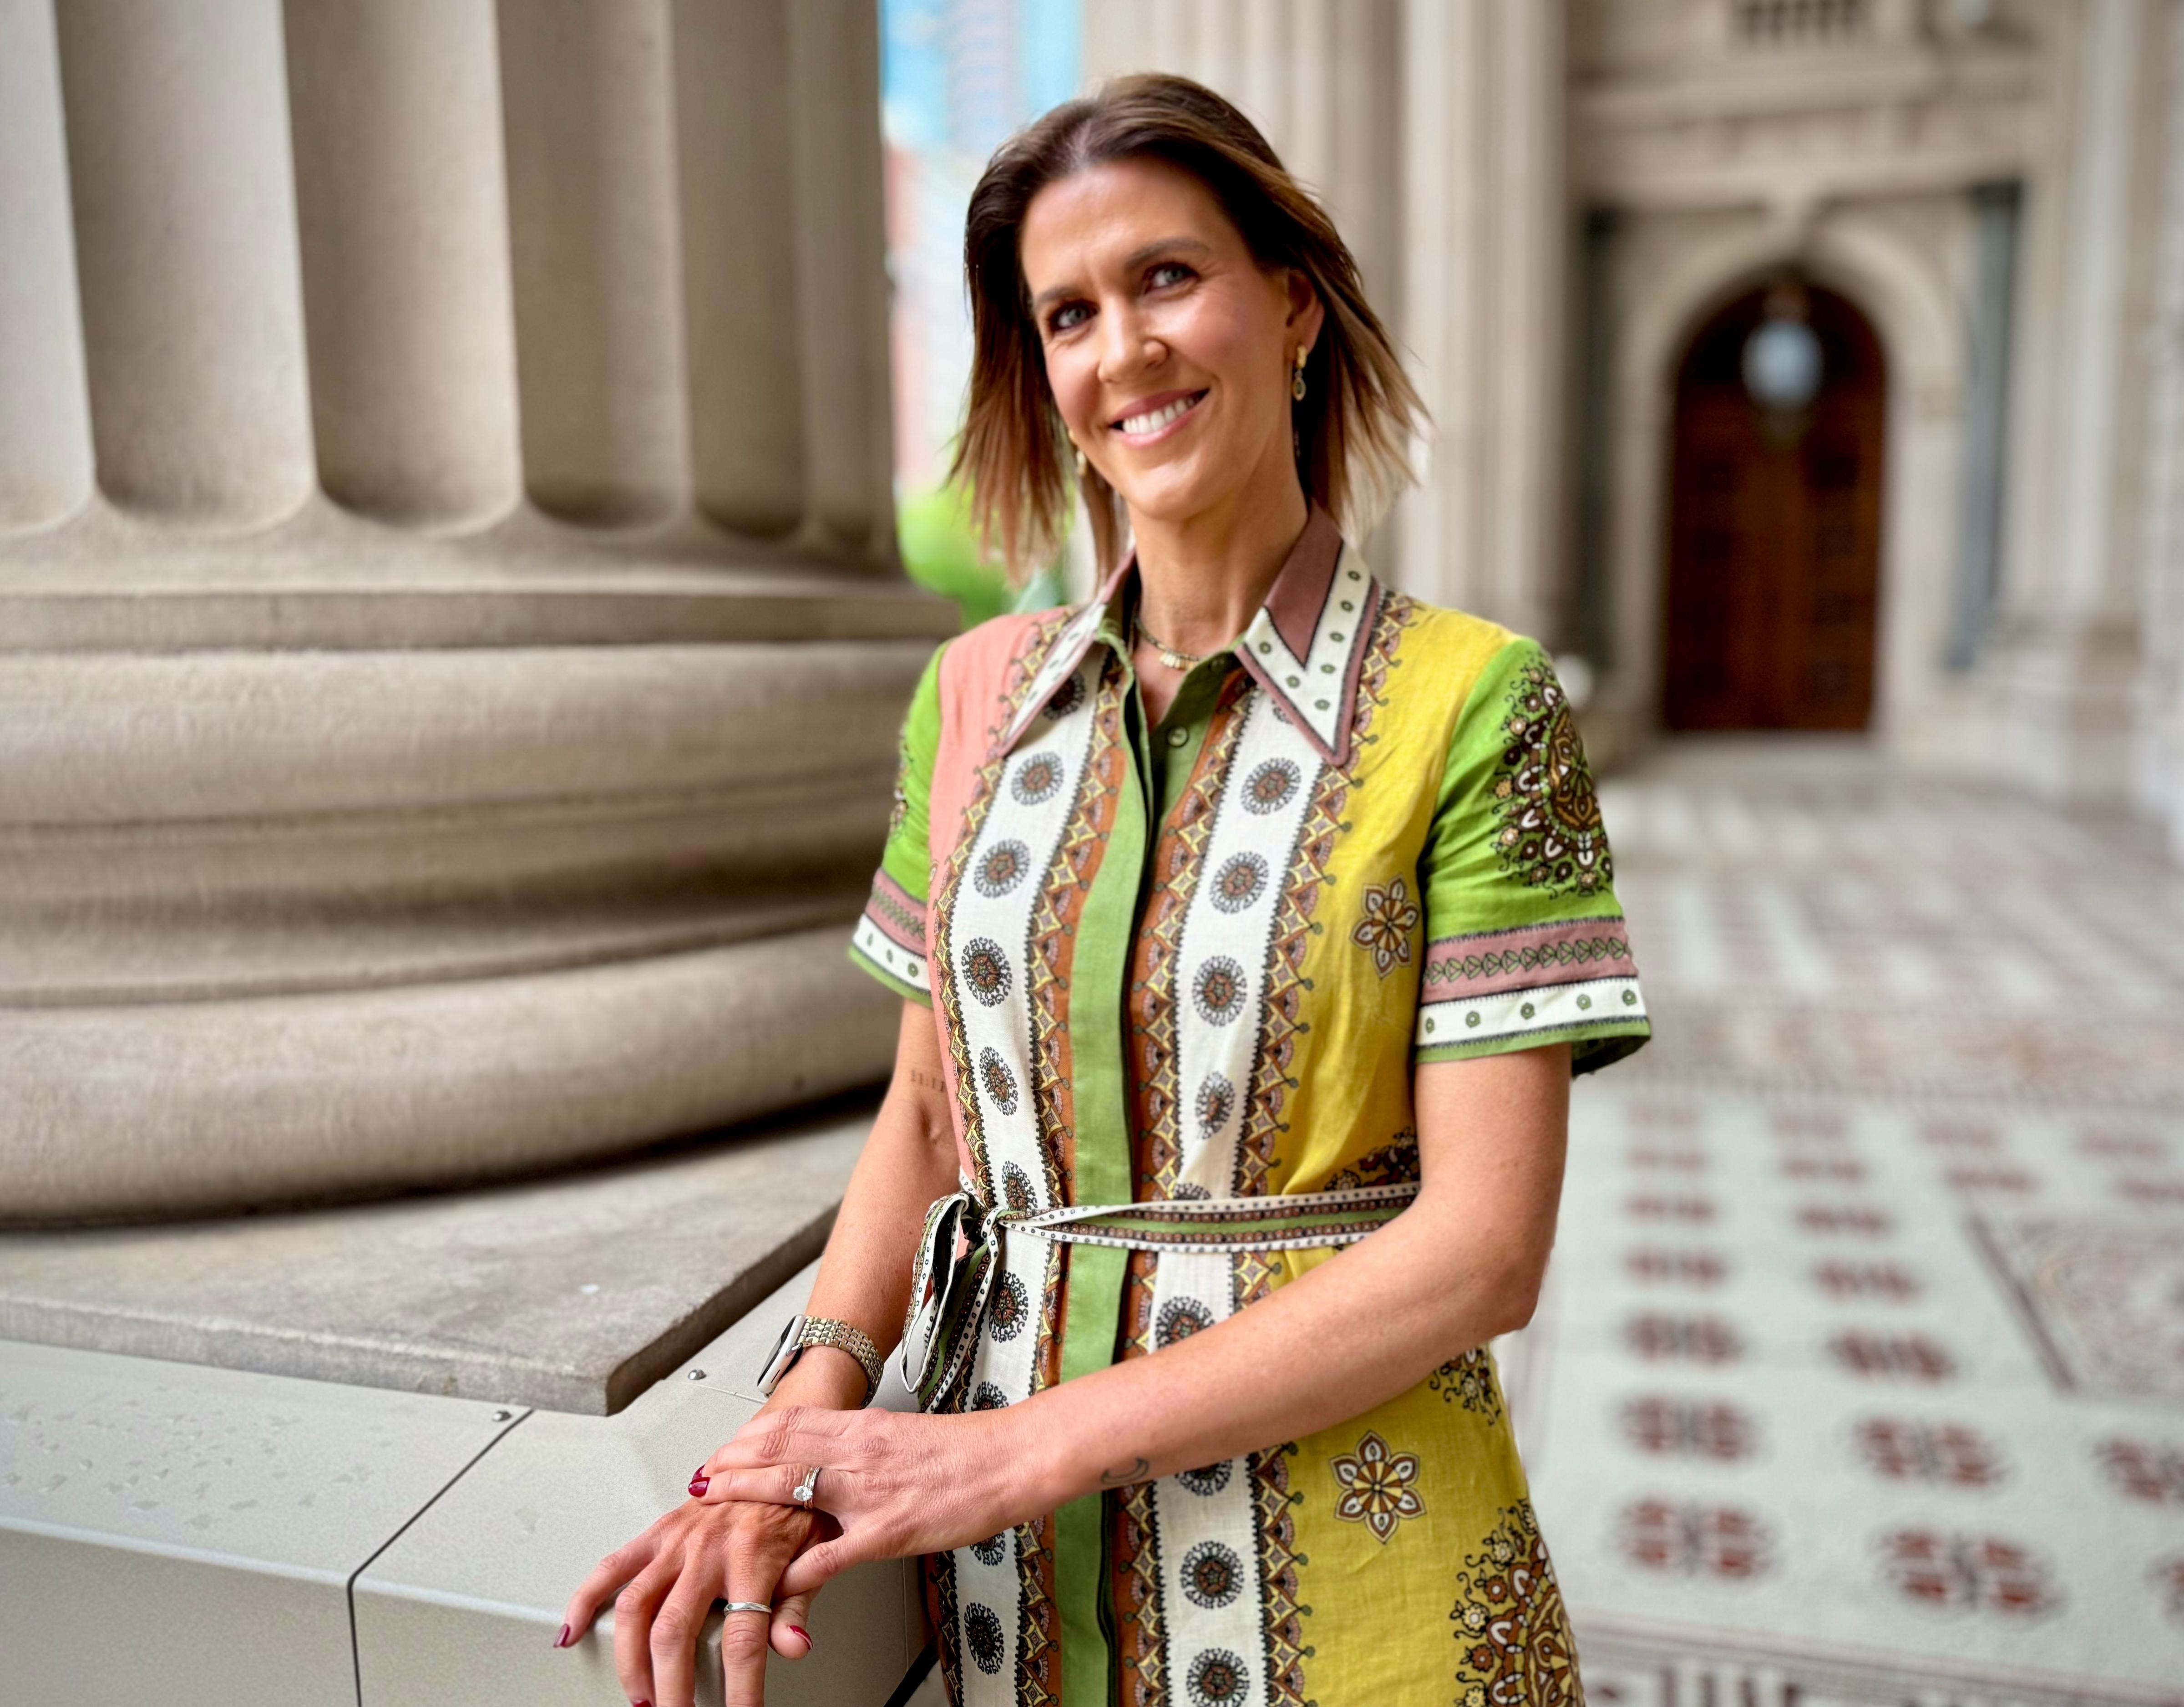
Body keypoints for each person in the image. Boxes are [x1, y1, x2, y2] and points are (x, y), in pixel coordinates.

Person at [559, 70, 1650, 1707]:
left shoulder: (1474, 703)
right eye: (1068, 314)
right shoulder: (973, 698)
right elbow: (931, 1115)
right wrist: (787, 1430)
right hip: (1007, 1614)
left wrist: (1004, 1457)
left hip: (1363, 1599)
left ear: (1291, 307)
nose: (1121, 350)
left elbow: (1487, 1249)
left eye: (1166, 277)